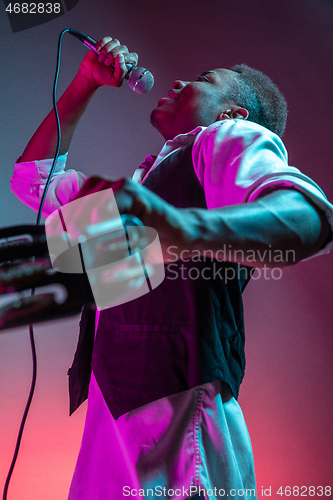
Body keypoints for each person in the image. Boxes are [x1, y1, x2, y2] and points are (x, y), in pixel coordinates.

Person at [10, 37, 333, 500]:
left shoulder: (222, 141)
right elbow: (33, 183)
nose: (181, 80)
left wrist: (181, 228)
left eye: (204, 81)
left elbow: (308, 217)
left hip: (180, 427)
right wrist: (85, 82)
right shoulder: (147, 186)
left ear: (233, 114)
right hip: (112, 421)